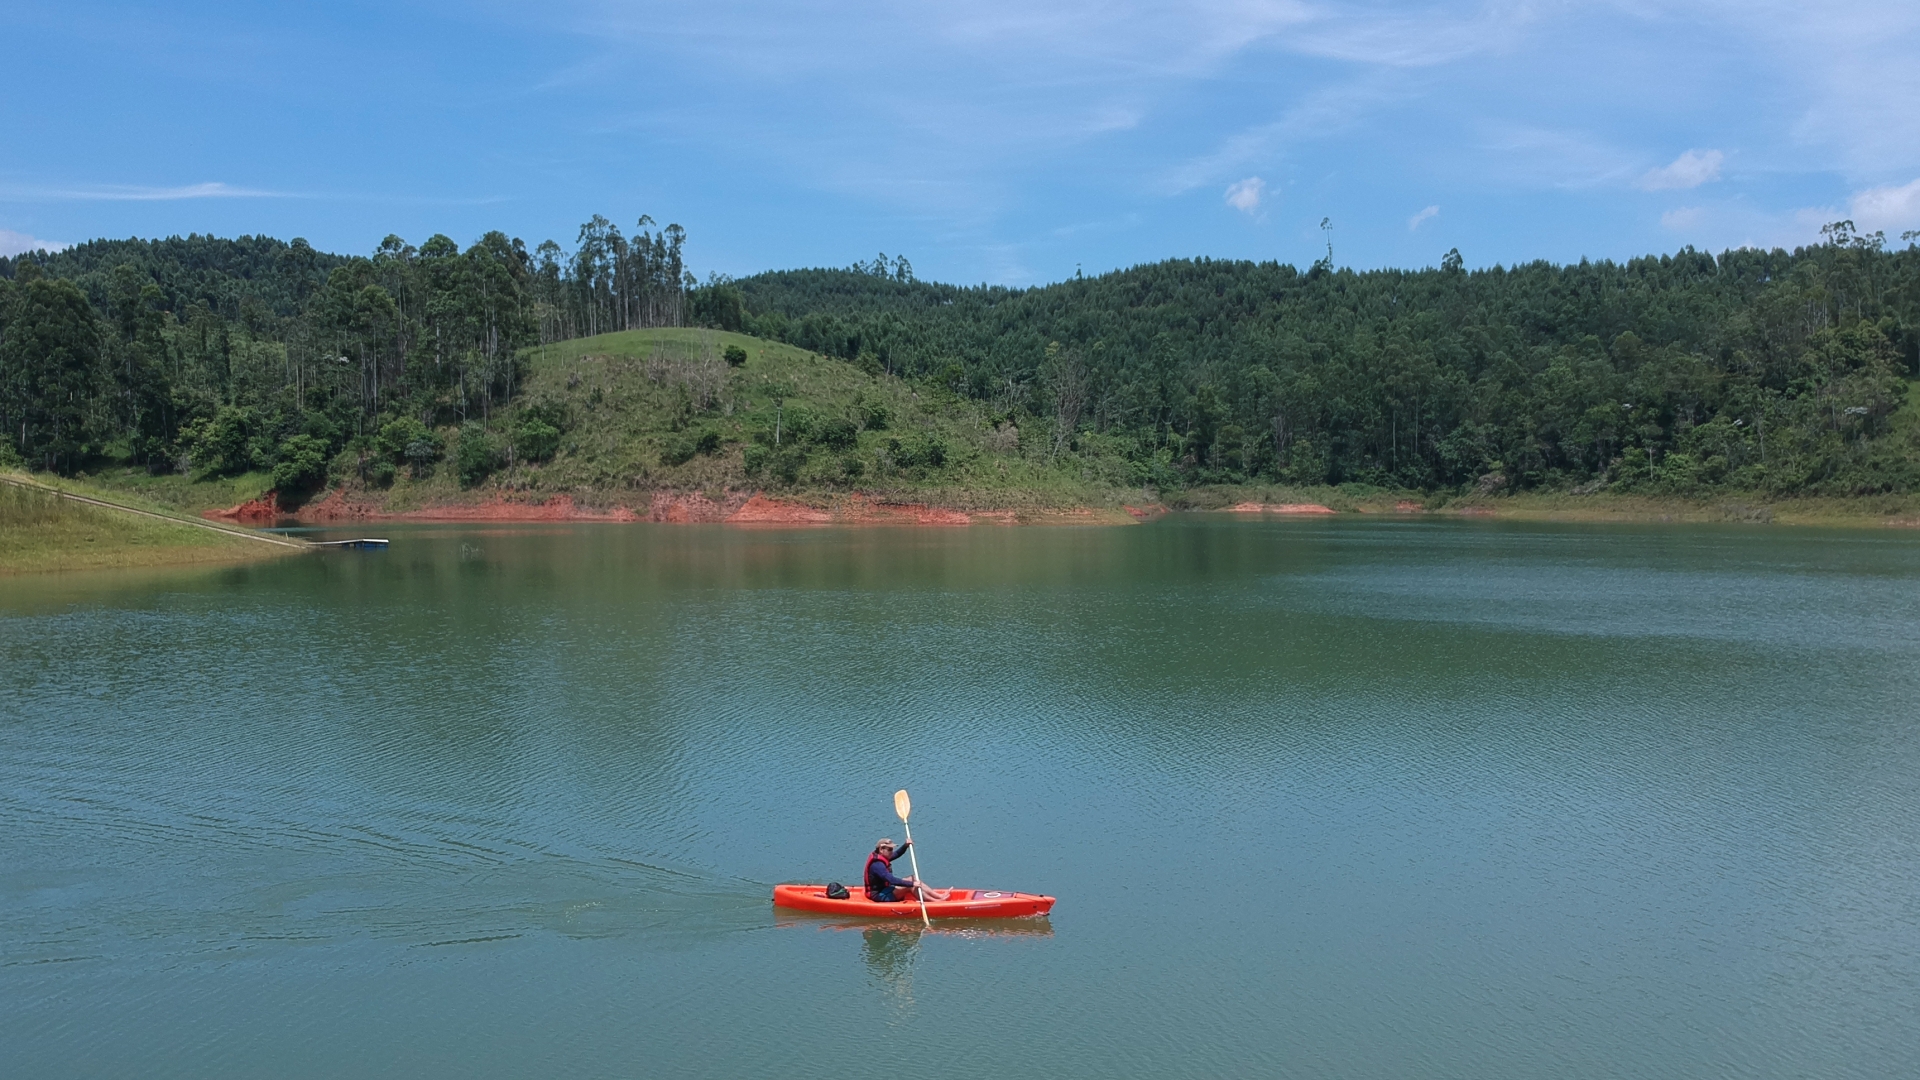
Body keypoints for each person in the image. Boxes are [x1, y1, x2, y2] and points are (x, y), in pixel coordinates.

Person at [865, 838, 949, 902]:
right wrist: (912, 884)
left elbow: (897, 854)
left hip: (886, 889)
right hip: (878, 895)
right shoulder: (877, 865)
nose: (892, 851)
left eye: (892, 849)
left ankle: (938, 896)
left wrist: (905, 845)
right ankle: (935, 902)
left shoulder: (883, 857)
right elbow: (891, 880)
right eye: (889, 849)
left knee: (913, 877)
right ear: (881, 849)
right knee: (910, 886)